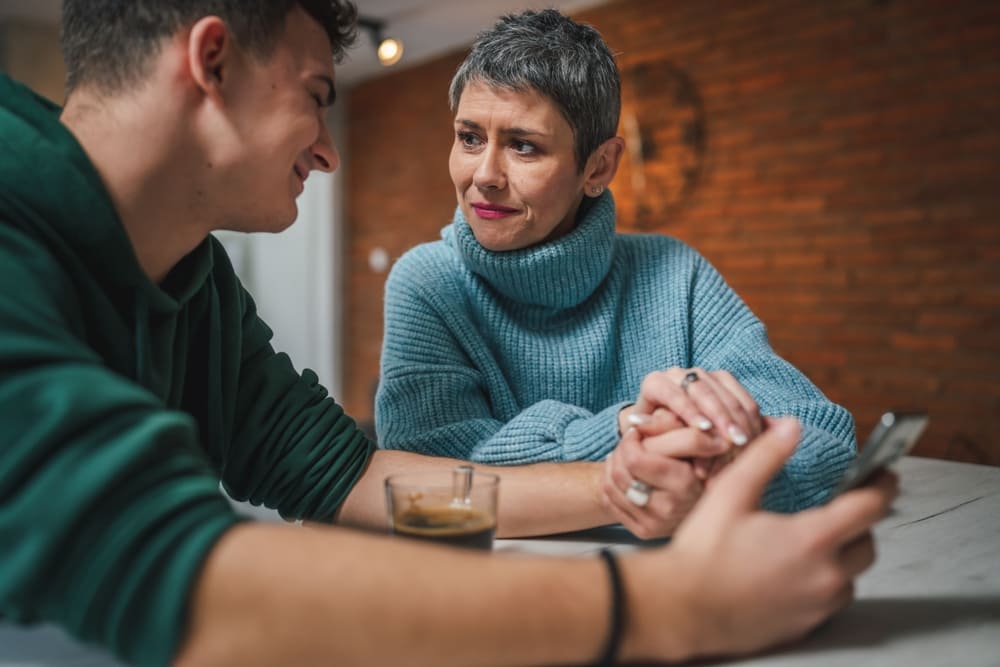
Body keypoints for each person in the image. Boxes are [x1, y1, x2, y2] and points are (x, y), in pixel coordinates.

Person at [0, 2, 896, 666]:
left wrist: (630, 474)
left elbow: (352, 473)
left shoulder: (191, 280)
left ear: (598, 166)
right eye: (318, 95)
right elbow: (180, 576)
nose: (327, 149)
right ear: (213, 61)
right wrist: (670, 603)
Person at [375, 8, 855, 528]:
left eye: (523, 146)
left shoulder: (677, 276)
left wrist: (711, 482)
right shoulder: (427, 282)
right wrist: (630, 428)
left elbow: (820, 434)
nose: (484, 175)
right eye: (469, 138)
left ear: (598, 167)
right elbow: (426, 475)